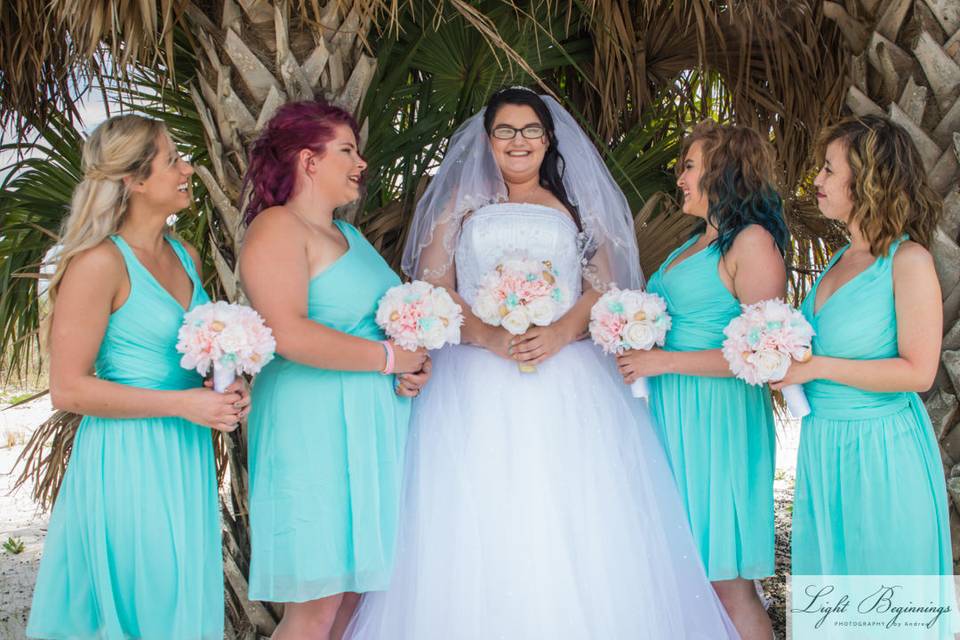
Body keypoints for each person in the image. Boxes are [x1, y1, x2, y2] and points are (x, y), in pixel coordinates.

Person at [345, 87, 738, 639]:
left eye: (531, 129)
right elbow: (434, 287)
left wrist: (558, 332)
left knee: (571, 518)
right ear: (488, 140)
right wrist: (484, 334)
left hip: (567, 374)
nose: (519, 141)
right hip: (473, 379)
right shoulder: (460, 207)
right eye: (506, 130)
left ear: (548, 138)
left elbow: (604, 286)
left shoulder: (577, 206)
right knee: (476, 517)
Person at [27, 114, 246, 639]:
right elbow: (69, 388)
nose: (187, 169)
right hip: (127, 458)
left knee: (178, 602)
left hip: (185, 456)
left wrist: (221, 387)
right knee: (138, 599)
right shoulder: (99, 264)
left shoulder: (185, 255)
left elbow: (187, 360)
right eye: (173, 160)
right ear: (134, 180)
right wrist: (184, 405)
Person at [239, 101, 430, 640]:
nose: (361, 163)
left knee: (352, 600)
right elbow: (288, 331)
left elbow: (379, 329)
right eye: (346, 150)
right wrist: (389, 359)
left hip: (372, 421)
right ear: (308, 160)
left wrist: (410, 369)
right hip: (313, 424)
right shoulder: (277, 228)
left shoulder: (355, 238)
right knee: (317, 605)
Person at [617, 120, 786, 639]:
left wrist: (662, 362)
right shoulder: (694, 244)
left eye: (689, 166)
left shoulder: (751, 243)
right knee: (685, 570)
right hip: (675, 416)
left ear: (724, 171)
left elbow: (766, 357)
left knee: (726, 581)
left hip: (720, 421)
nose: (680, 178)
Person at [774, 116, 951, 585]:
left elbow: (919, 372)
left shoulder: (908, 261)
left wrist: (812, 368)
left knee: (882, 603)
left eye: (830, 170)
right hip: (824, 445)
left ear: (869, 179)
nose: (817, 181)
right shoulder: (842, 257)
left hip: (880, 451)